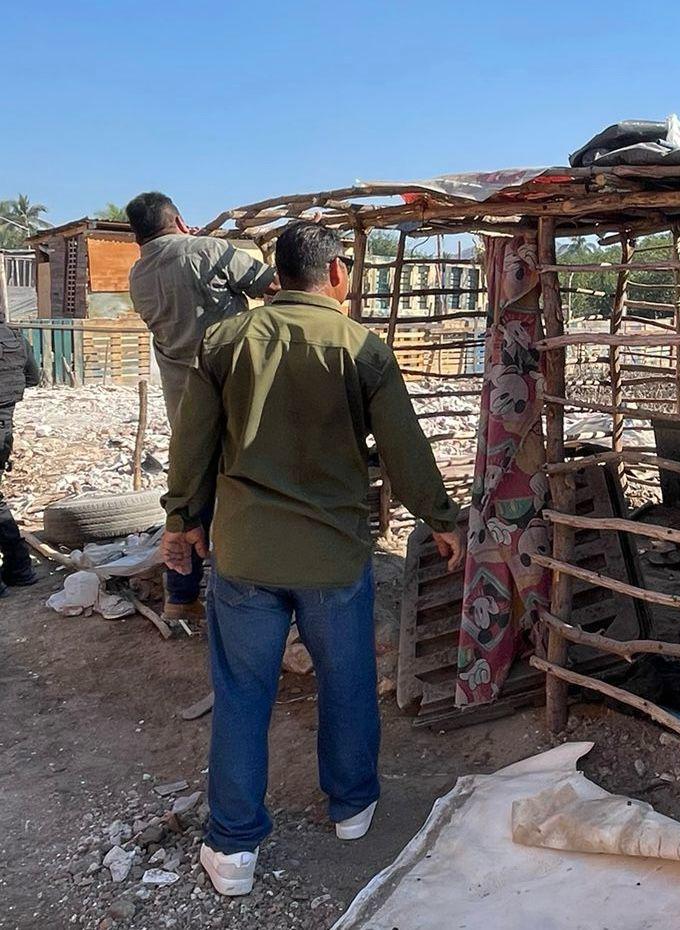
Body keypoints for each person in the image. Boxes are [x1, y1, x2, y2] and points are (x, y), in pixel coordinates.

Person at [161, 220, 464, 897]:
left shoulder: (225, 342)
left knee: (243, 693)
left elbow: (193, 444)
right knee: (347, 678)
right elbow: (404, 449)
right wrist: (441, 520)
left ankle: (234, 848)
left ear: (277, 277)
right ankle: (352, 808)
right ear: (336, 275)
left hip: (246, 554)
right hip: (332, 556)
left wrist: (183, 517)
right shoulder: (363, 349)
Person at [126, 192, 277, 622]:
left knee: (190, 493)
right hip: (237, 398)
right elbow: (273, 285)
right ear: (178, 220)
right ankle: (248, 591)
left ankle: (181, 595)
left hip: (185, 406)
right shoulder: (208, 251)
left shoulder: (138, 275)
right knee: (247, 489)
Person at [0, 323, 40, 596]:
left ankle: (18, 569)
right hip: (4, 429)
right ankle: (19, 568)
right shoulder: (14, 337)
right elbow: (33, 377)